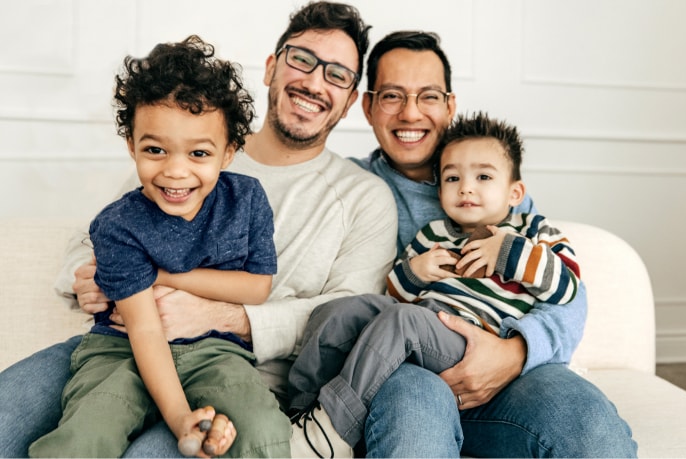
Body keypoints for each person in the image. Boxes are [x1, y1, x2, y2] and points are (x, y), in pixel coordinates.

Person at [0, 2, 397, 457]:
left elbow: (347, 316)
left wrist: (227, 317)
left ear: (351, 100)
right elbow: (94, 238)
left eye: (337, 74)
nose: (313, 80)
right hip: (118, 339)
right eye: (302, 59)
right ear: (271, 68)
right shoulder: (179, 136)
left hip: (231, 364)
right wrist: (87, 276)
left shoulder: (361, 197)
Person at [350, 31, 638, 457]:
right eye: (392, 96)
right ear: (368, 106)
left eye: (428, 96)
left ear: (449, 105)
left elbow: (566, 294)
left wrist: (515, 353)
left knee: (591, 427)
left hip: (509, 364)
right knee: (414, 433)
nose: (411, 113)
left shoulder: (493, 182)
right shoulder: (351, 188)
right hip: (408, 371)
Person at [28, 35, 289, 458]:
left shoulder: (248, 200)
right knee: (85, 436)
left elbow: (257, 287)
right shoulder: (117, 225)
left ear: (229, 153)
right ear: (131, 145)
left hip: (215, 349)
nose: (175, 171)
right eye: (155, 149)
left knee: (263, 428)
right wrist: (181, 418)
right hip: (121, 349)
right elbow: (145, 329)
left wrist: (165, 277)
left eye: (199, 153)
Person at [287, 111, 583, 457]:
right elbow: (394, 293)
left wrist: (507, 250)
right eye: (452, 178)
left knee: (403, 320)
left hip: (473, 337)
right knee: (338, 311)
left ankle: (332, 431)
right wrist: (415, 271)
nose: (466, 188)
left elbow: (566, 287)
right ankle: (301, 414)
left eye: (483, 176)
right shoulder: (434, 234)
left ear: (515, 192)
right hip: (420, 326)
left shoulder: (532, 230)